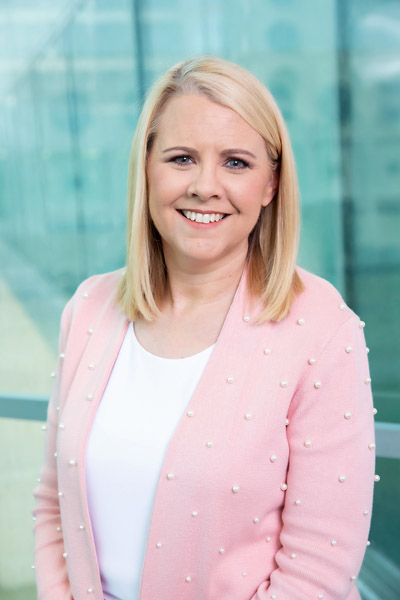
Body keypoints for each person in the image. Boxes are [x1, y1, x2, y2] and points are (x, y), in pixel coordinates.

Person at [33, 56, 376, 600]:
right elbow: (54, 503)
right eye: (182, 158)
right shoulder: (89, 307)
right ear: (146, 169)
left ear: (270, 185)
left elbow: (317, 573)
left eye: (236, 163)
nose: (205, 186)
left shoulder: (322, 328)